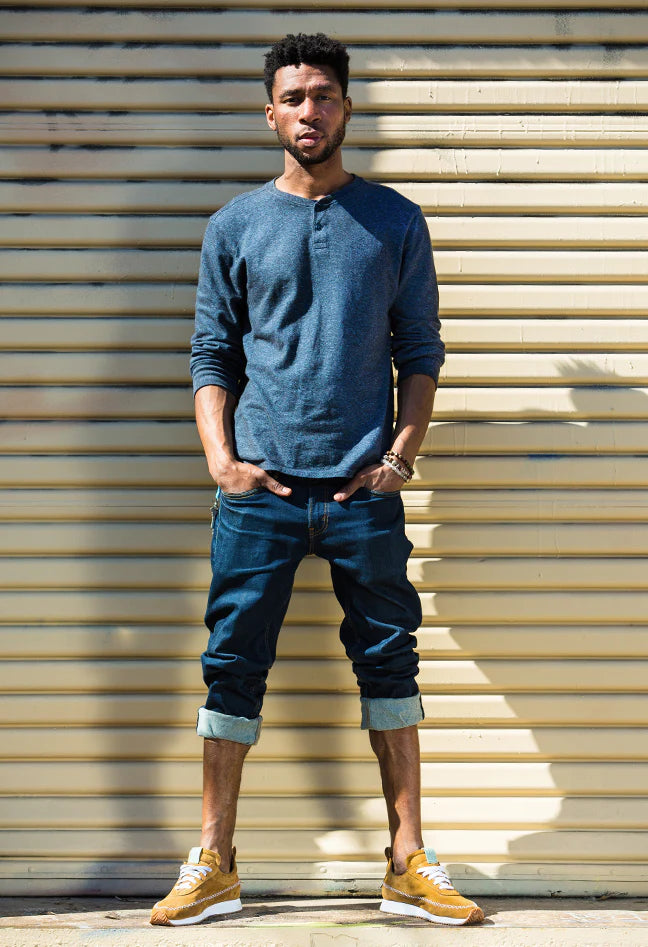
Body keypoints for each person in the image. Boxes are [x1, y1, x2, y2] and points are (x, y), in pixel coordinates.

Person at [150, 32, 483, 928]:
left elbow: (421, 350)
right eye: (293, 97)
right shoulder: (235, 225)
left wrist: (400, 457)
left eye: (324, 95)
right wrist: (222, 462)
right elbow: (211, 352)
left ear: (346, 107)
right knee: (231, 668)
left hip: (359, 493)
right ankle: (214, 861)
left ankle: (408, 861)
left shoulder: (394, 220)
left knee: (390, 664)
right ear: (271, 113)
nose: (310, 110)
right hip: (258, 493)